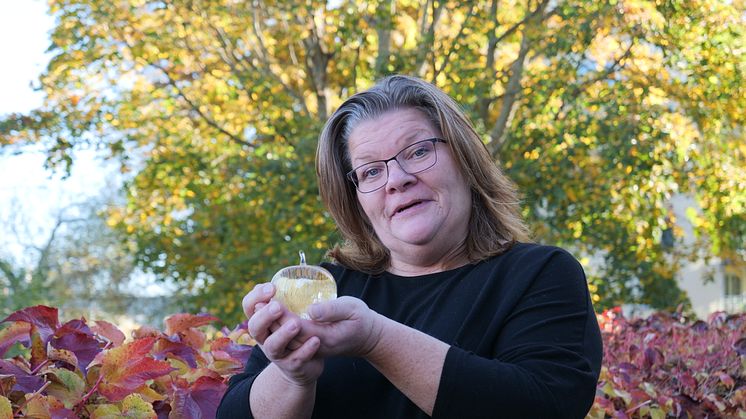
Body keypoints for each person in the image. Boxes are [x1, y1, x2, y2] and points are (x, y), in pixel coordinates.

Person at [217, 75, 602, 418]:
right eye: (370, 170)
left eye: (418, 151)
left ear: (465, 160)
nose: (396, 180)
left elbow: (546, 406)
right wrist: (292, 375)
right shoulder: (328, 288)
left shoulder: (540, 274)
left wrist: (376, 339)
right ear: (356, 200)